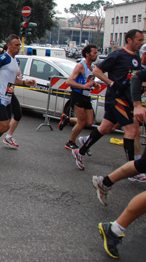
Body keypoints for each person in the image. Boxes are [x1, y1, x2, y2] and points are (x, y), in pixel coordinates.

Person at [91, 67, 146, 258]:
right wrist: (138, 105)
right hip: (118, 103)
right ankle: (114, 229)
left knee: (141, 165)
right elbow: (138, 77)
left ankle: (105, 182)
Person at [71, 29, 144, 173]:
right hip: (117, 98)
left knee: (104, 128)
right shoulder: (117, 55)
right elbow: (97, 71)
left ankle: (80, 151)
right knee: (132, 130)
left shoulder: (136, 56)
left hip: (127, 99)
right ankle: (131, 170)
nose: (141, 43)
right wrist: (111, 83)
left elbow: (135, 77)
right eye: (139, 40)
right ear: (129, 40)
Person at [58, 44, 100, 150]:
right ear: (87, 54)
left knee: (89, 122)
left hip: (86, 96)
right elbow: (69, 81)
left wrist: (94, 84)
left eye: (97, 52)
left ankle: (67, 119)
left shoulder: (93, 67)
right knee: (81, 122)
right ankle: (70, 142)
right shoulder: (80, 66)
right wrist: (83, 86)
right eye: (94, 53)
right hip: (78, 95)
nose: (96, 55)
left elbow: (88, 80)